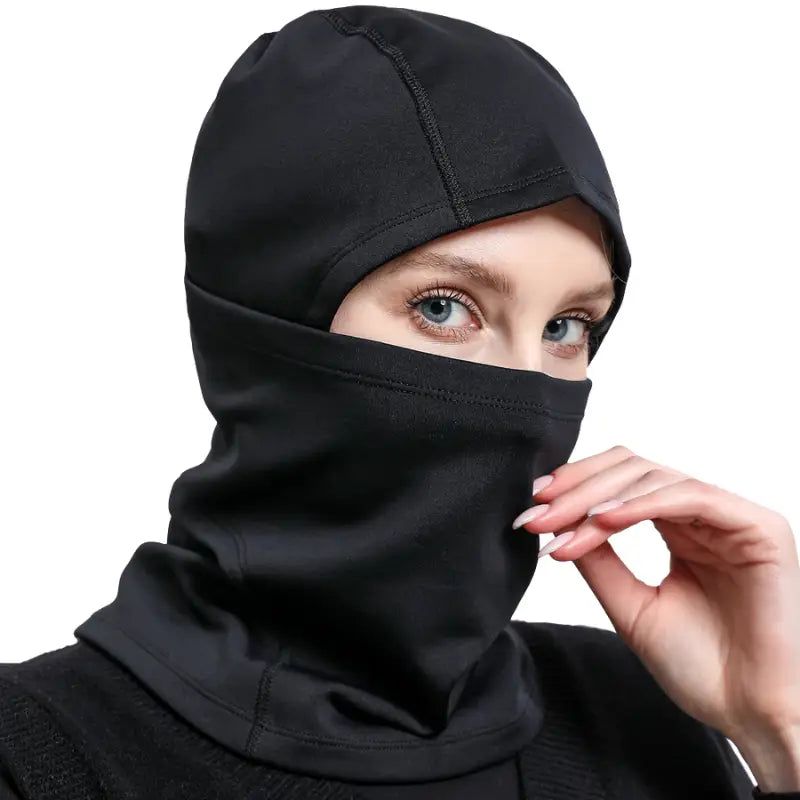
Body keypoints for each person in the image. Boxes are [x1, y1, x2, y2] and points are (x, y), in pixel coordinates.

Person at [1, 5, 798, 799]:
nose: (527, 394)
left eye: (566, 326)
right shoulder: (35, 757)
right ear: (262, 329)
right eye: (444, 308)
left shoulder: (643, 713)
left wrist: (782, 730)